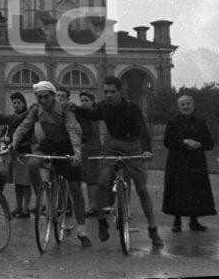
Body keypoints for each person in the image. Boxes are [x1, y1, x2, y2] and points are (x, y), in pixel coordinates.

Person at [70, 76, 164, 247]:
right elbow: (93, 114)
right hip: (112, 145)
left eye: (112, 92)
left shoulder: (132, 107)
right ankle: (102, 222)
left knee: (142, 189)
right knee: (103, 181)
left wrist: (146, 149)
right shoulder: (104, 106)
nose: (109, 95)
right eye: (105, 92)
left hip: (133, 145)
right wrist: (75, 108)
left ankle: (153, 230)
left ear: (120, 91)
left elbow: (142, 128)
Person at [11, 81, 91, 247]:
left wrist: (76, 152)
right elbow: (24, 126)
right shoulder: (36, 110)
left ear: (53, 96)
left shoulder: (65, 109)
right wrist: (14, 142)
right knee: (32, 164)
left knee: (75, 189)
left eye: (46, 97)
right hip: (49, 145)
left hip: (67, 146)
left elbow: (72, 129)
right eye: (39, 97)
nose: (42, 100)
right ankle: (43, 196)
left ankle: (82, 229)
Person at [161, 95, 216, 232]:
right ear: (179, 107)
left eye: (188, 104)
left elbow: (210, 144)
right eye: (183, 104)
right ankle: (177, 221)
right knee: (177, 190)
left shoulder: (201, 122)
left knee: (195, 190)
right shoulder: (173, 122)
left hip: (196, 162)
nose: (186, 106)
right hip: (177, 162)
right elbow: (167, 142)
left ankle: (194, 221)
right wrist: (184, 142)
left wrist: (199, 144)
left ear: (193, 105)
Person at [2, 91, 32, 218]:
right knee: (17, 182)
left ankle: (26, 208)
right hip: (14, 153)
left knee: (25, 182)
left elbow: (29, 134)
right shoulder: (11, 118)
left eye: (18, 102)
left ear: (24, 103)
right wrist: (5, 138)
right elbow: (4, 133)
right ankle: (18, 206)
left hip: (25, 151)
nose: (16, 105)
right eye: (14, 103)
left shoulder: (28, 117)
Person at [78, 91, 102, 217]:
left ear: (93, 102)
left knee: (92, 179)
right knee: (89, 178)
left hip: (93, 148)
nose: (83, 103)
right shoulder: (82, 115)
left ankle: (93, 206)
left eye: (86, 100)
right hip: (85, 149)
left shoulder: (94, 115)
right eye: (81, 100)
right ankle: (94, 204)